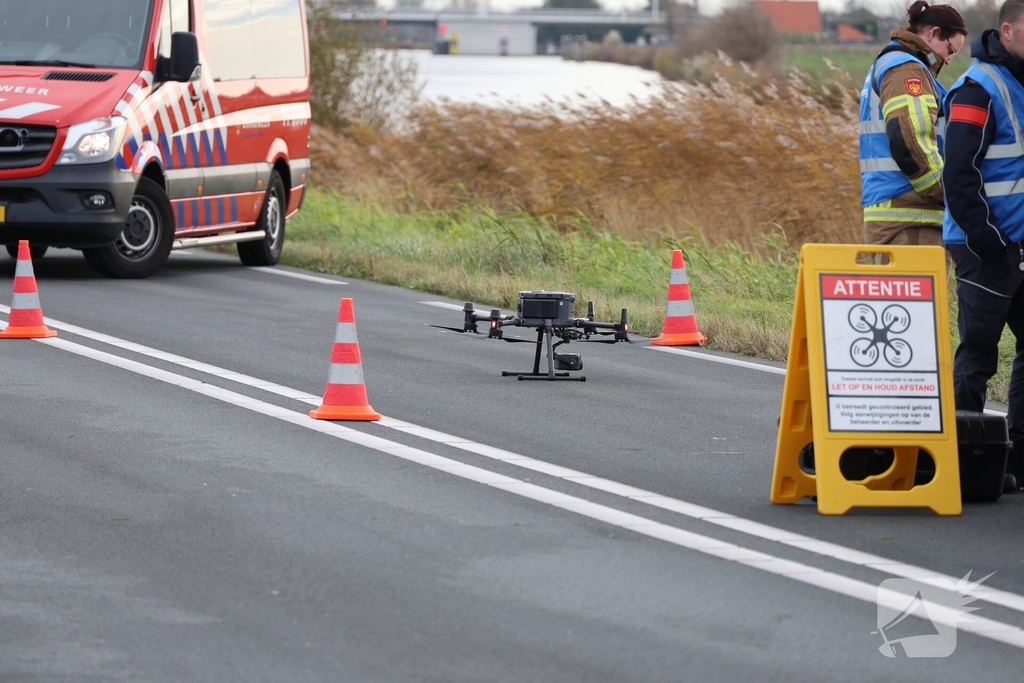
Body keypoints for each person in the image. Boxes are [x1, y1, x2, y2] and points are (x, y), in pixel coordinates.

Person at [942, 0, 1024, 493]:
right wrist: (994, 245)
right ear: (1008, 29)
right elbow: (959, 174)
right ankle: (965, 462)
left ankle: (1014, 458)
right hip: (985, 246)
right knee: (978, 351)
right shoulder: (978, 87)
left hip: (1020, 245)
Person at [859, 2, 967, 254]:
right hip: (911, 219)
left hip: (901, 214)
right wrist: (948, 193)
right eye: (950, 50)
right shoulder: (907, 71)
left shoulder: (894, 64)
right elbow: (911, 141)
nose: (949, 60)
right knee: (928, 294)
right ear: (933, 33)